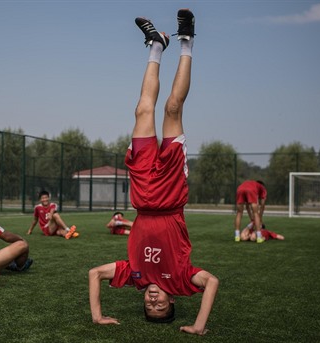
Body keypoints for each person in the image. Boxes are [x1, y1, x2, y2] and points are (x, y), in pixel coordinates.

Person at [88, 10, 218, 336]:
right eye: (160, 306)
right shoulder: (183, 279)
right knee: (173, 108)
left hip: (143, 190)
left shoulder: (134, 275)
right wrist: (199, 325)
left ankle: (156, 46)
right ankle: (186, 40)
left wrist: (98, 316)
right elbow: (212, 282)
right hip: (172, 191)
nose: (154, 301)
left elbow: (94, 274)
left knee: (142, 109)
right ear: (173, 301)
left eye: (149, 306)